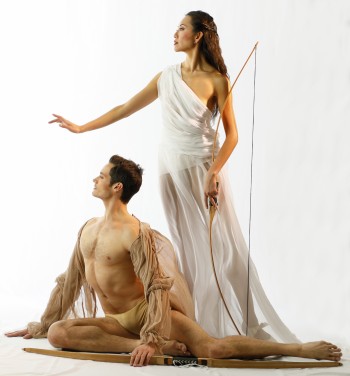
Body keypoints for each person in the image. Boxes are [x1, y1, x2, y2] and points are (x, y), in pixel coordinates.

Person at [48, 11, 296, 340]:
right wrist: (81, 127)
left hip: (201, 169)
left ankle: (241, 321)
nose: (175, 32)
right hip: (169, 169)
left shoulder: (218, 80)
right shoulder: (166, 77)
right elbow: (125, 107)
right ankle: (199, 325)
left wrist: (214, 171)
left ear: (197, 36)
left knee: (222, 249)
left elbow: (232, 135)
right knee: (186, 248)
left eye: (181, 28)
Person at [5, 155, 342, 367]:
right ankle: (137, 345)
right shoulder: (88, 229)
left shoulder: (136, 233)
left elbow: (155, 286)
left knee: (213, 349)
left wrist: (153, 335)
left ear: (117, 187)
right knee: (59, 334)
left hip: (151, 314)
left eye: (101, 176)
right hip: (117, 322)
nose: (95, 179)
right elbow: (73, 279)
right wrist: (45, 322)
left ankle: (299, 348)